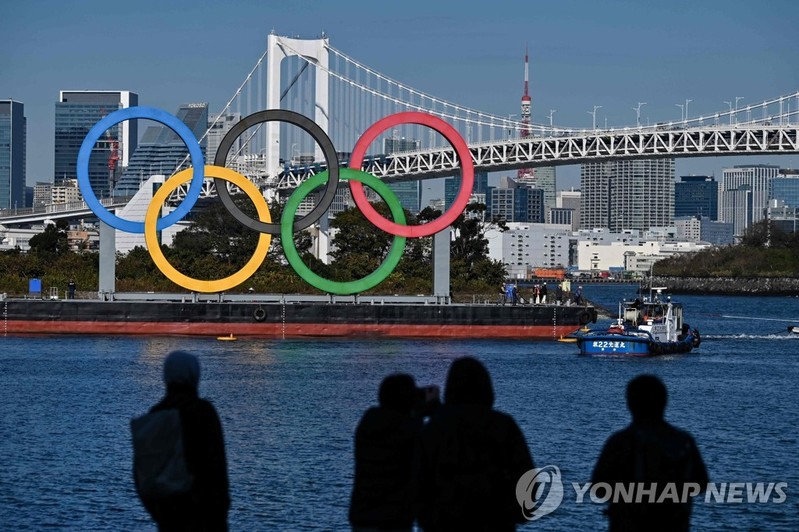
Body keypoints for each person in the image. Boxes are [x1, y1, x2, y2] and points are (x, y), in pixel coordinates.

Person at [415, 357, 535, 531]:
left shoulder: (434, 429)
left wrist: (428, 521)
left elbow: (419, 483)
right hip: (496, 522)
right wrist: (517, 514)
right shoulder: (503, 425)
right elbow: (527, 477)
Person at [592, 375, 709, 532]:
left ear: (630, 404)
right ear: (664, 402)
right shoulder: (684, 442)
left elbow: (599, 487)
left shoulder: (620, 442)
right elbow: (701, 483)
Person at [138, 350, 230, 531]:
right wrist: (219, 513)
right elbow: (217, 468)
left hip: (169, 520)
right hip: (206, 518)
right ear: (194, 376)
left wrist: (161, 516)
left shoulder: (156, 415)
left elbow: (143, 477)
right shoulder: (203, 412)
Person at [350, 374, 440, 531]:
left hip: (363, 518)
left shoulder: (369, 422)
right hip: (392, 520)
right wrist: (433, 408)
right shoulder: (408, 430)